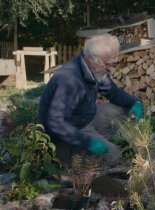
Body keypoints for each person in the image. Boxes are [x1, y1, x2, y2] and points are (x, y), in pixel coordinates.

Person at [38, 33, 143, 164]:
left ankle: (97, 140)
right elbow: (55, 123)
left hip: (84, 118)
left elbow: (112, 91)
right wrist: (86, 141)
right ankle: (70, 154)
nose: (110, 69)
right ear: (91, 58)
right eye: (108, 64)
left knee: (122, 110)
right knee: (114, 156)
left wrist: (135, 102)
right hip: (67, 130)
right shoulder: (69, 80)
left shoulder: (95, 68)